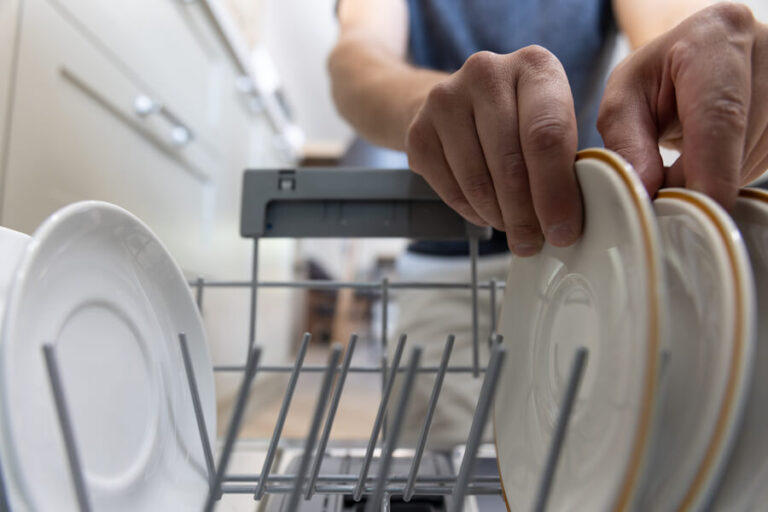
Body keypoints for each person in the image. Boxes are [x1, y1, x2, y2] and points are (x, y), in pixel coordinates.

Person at [328, 0, 768, 448]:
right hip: (447, 276)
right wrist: (430, 107)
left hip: (587, 266)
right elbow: (358, 55)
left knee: (602, 458)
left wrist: (705, 62)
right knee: (436, 470)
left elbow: (665, 24)